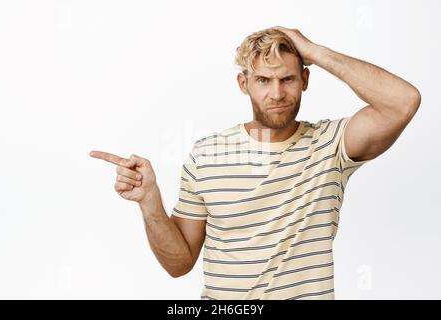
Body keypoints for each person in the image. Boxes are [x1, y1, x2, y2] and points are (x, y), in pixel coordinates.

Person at [89, 26, 421, 300]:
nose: (277, 94)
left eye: (287, 79)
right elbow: (178, 264)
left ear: (305, 79)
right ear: (243, 84)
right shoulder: (207, 155)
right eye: (263, 80)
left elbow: (403, 102)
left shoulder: (331, 143)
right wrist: (150, 202)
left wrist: (316, 51)